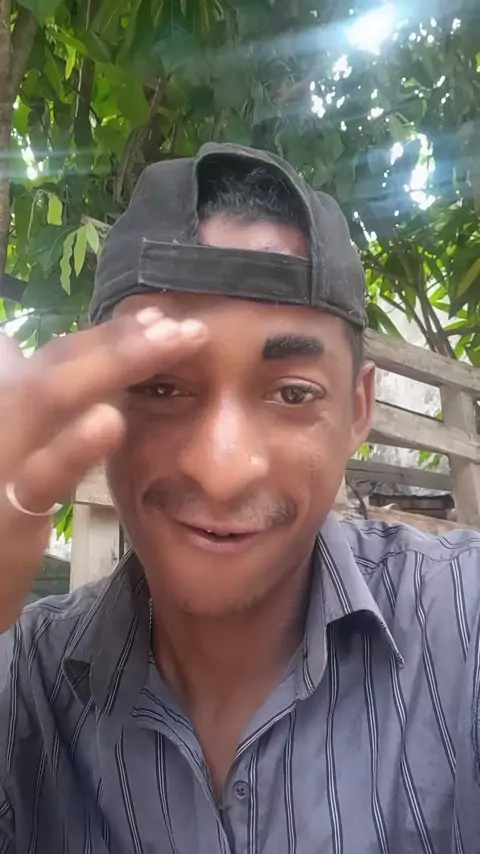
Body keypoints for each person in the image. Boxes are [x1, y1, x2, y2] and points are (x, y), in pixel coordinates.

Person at [0, 142, 478, 854]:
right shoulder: (24, 688)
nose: (222, 472)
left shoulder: (463, 627)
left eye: (293, 394)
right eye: (162, 387)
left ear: (356, 410)